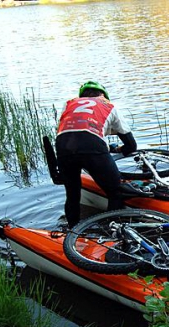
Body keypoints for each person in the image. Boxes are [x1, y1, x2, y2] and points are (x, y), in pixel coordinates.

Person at [55, 81, 137, 228]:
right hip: (92, 145)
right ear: (103, 95)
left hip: (63, 145)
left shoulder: (69, 103)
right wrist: (118, 149)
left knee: (72, 194)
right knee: (115, 192)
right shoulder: (108, 105)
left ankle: (72, 232)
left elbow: (75, 126)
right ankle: (113, 230)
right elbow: (131, 145)